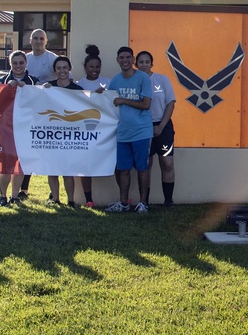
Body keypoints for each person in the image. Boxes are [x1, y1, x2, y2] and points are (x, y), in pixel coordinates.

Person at [104, 47, 153, 213]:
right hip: (122, 132)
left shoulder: (143, 78)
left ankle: (143, 203)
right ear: (117, 60)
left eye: (128, 57)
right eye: (121, 57)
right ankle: (124, 203)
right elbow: (109, 101)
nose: (124, 60)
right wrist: (99, 94)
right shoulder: (115, 80)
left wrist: (123, 100)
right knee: (123, 169)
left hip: (141, 131)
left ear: (133, 60)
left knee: (142, 168)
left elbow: (146, 104)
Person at [0, 50, 38, 207]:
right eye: (15, 63)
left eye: (21, 63)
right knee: (5, 164)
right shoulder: (1, 81)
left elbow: (40, 104)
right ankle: (2, 196)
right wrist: (7, 89)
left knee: (21, 163)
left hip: (26, 129)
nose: (18, 66)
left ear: (26, 63)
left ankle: (14, 196)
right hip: (6, 129)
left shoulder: (34, 82)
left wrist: (30, 90)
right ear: (10, 64)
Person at [137, 50, 178, 207]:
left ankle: (168, 201)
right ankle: (144, 202)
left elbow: (171, 103)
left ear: (152, 64)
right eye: (141, 62)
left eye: (147, 62)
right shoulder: (135, 82)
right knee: (146, 165)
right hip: (142, 127)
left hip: (163, 126)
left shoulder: (162, 79)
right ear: (136, 64)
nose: (144, 65)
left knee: (167, 163)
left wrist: (161, 126)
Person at [44, 55, 84, 207]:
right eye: (59, 68)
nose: (62, 71)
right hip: (52, 136)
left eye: (65, 68)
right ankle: (55, 199)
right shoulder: (48, 87)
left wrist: (100, 95)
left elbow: (85, 107)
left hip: (70, 136)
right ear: (55, 70)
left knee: (68, 170)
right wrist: (43, 90)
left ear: (70, 69)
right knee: (52, 169)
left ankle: (71, 200)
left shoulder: (77, 89)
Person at [76, 45, 111, 207]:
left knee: (114, 163)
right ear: (85, 67)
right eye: (91, 67)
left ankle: (123, 198)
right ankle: (88, 199)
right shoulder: (78, 85)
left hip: (106, 131)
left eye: (97, 67)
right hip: (86, 130)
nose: (94, 70)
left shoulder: (108, 83)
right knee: (85, 165)